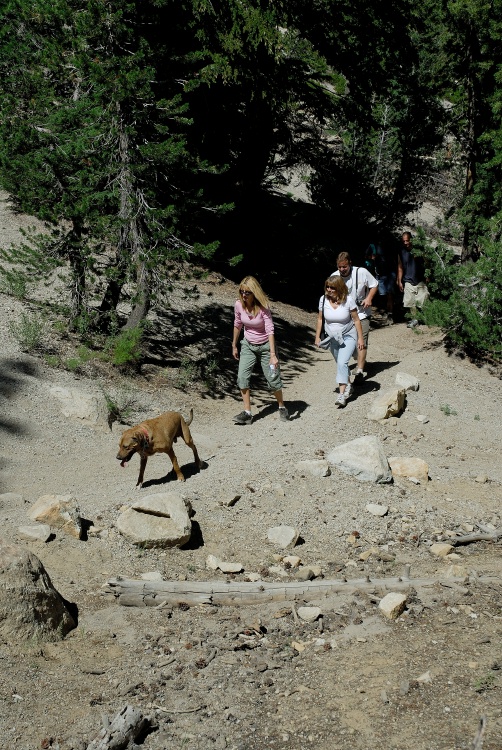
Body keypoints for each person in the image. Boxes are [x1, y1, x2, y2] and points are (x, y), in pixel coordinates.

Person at [232, 276, 289, 425]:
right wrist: (234, 344)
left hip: (265, 346)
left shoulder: (263, 306)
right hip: (248, 345)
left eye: (247, 292)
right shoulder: (239, 305)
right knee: (242, 377)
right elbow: (237, 324)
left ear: (254, 292)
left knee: (273, 378)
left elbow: (270, 329)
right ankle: (247, 413)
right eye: (242, 291)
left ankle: (282, 406)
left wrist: (272, 355)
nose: (244, 295)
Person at [315, 275, 365, 408]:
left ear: (339, 288)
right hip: (332, 337)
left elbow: (356, 320)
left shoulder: (348, 300)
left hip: (348, 335)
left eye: (332, 287)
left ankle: (342, 395)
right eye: (327, 287)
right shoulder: (323, 300)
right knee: (340, 364)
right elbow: (320, 319)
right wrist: (317, 336)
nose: (329, 289)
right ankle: (349, 385)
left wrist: (360, 338)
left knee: (342, 362)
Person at [331, 251, 378, 380]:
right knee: (347, 345)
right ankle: (358, 359)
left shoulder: (361, 272)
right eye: (339, 267)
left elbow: (374, 285)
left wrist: (369, 298)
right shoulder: (334, 277)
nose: (342, 270)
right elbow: (328, 293)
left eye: (344, 267)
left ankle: (360, 372)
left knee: (361, 342)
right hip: (344, 317)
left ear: (350, 264)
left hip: (362, 314)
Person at [397, 232, 429, 328]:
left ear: (411, 239)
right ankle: (415, 320)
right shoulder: (401, 252)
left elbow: (426, 262)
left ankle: (424, 317)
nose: (406, 243)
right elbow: (400, 266)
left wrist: (428, 275)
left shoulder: (419, 250)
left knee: (423, 300)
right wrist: (399, 281)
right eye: (404, 241)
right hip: (408, 279)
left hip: (420, 279)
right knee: (410, 302)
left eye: (407, 240)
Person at [365, 240, 396, 325]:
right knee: (383, 295)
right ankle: (386, 312)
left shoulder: (388, 248)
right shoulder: (372, 246)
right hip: (380, 274)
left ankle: (390, 314)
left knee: (389, 294)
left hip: (389, 273)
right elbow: (367, 256)